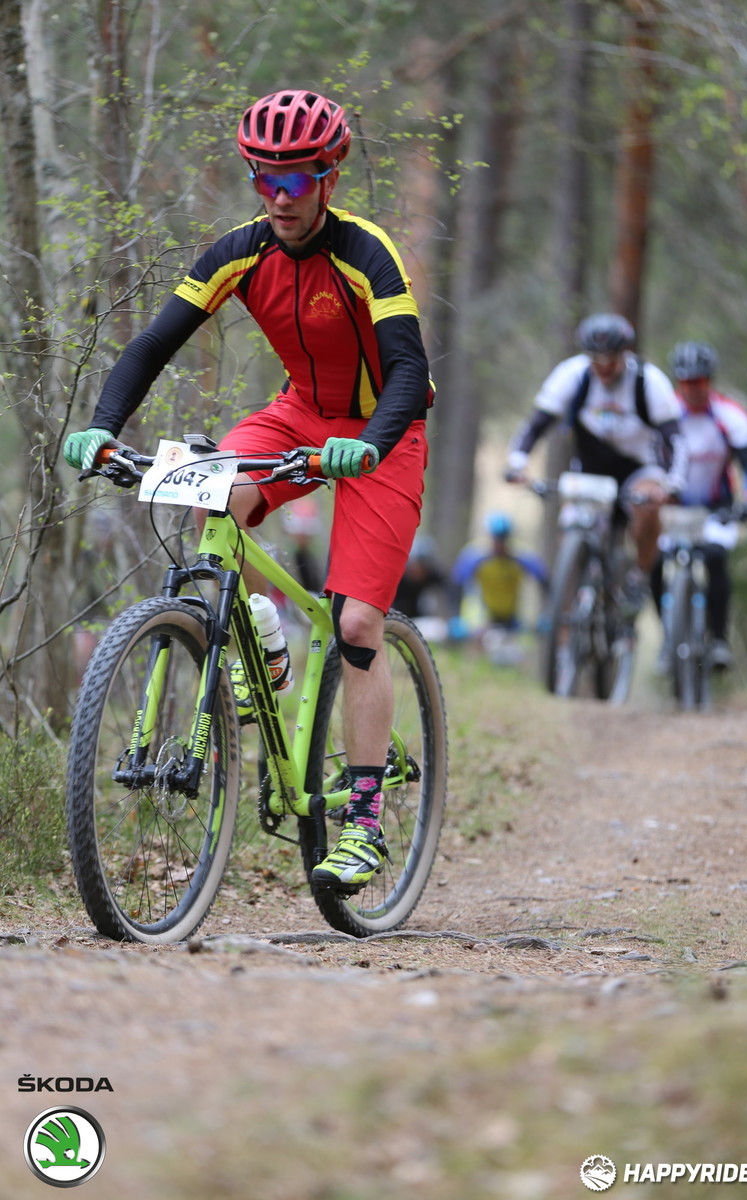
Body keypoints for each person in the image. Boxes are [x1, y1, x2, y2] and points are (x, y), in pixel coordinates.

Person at [63, 88, 433, 894]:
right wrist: (101, 424)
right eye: (262, 178)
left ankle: (364, 820)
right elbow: (156, 341)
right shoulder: (239, 250)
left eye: (295, 180)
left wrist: (368, 445)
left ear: (328, 177)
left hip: (382, 433)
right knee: (206, 494)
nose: (277, 196)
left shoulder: (366, 254)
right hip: (299, 415)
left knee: (358, 620)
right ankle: (260, 627)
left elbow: (410, 368)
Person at [506, 313, 688, 612]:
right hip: (590, 469)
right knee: (571, 527)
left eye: (610, 360)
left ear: (624, 353)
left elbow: (676, 440)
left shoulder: (648, 381)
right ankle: (575, 611)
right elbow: (536, 424)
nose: (603, 367)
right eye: (596, 359)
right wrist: (517, 462)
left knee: (647, 507)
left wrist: (673, 483)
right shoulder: (572, 375)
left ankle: (639, 577)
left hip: (638, 467)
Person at [653, 341, 747, 670]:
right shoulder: (664, 415)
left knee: (715, 559)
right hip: (674, 506)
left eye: (699, 381)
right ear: (677, 383)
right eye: (686, 382)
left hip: (717, 506)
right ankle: (667, 638)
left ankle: (718, 640)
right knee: (656, 563)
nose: (693, 389)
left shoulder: (730, 416)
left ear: (710, 381)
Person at [451, 511, 548, 634]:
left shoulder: (522, 557)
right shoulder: (474, 557)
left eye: (503, 539)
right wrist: (456, 617)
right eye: (496, 539)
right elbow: (456, 585)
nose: (500, 544)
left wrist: (546, 614)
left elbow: (544, 581)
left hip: (512, 619)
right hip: (483, 618)